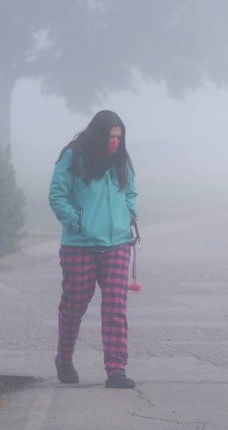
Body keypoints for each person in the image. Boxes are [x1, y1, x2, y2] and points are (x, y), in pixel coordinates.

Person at [48, 110, 139, 388]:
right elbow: (57, 194)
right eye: (110, 136)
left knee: (115, 306)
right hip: (80, 245)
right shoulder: (73, 157)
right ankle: (64, 359)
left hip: (117, 245)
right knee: (74, 306)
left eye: (118, 137)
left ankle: (116, 370)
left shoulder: (121, 161)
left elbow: (131, 192)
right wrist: (77, 222)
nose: (114, 142)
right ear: (98, 135)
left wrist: (129, 214)